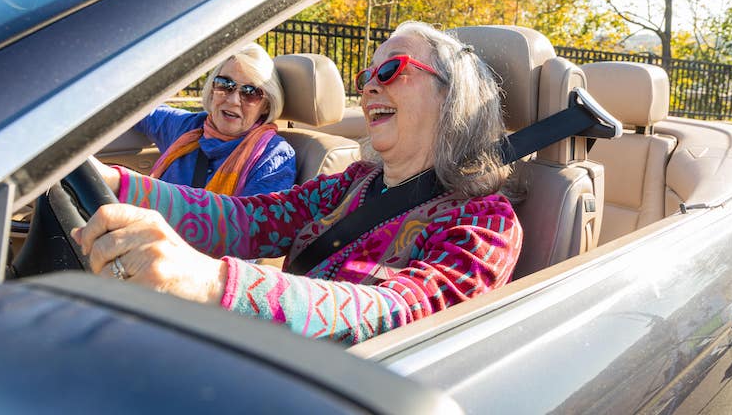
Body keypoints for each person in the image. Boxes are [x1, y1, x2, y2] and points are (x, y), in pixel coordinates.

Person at [73, 21, 523, 345]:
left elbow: (401, 312)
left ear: (452, 96)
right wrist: (115, 181)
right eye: (367, 76)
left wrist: (214, 282)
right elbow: (249, 219)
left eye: (391, 70)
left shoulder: (485, 222)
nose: (367, 88)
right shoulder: (352, 183)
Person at [136, 43, 296, 196]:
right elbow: (136, 107)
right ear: (212, 89)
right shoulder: (189, 127)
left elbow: (254, 221)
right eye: (225, 84)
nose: (233, 100)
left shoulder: (273, 155)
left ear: (266, 106)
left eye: (250, 92)